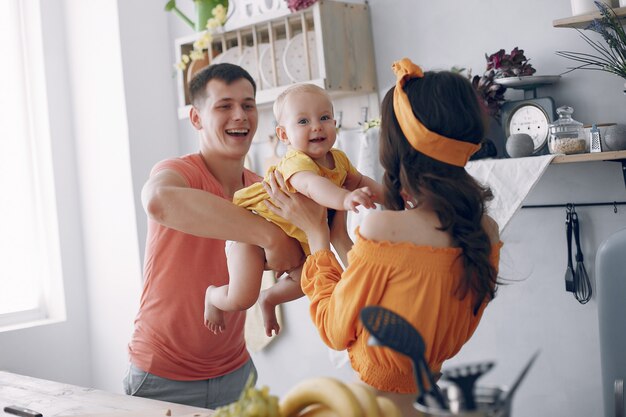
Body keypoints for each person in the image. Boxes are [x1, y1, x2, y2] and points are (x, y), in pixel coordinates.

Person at [263, 58, 503, 416]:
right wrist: (337, 235)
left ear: (397, 145)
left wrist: (316, 235)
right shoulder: (484, 233)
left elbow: (335, 326)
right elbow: (380, 292)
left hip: (373, 407)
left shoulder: (385, 228)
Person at [124, 63, 304, 409]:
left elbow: (294, 260)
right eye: (224, 106)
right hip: (161, 374)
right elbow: (158, 200)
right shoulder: (180, 172)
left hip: (236, 371)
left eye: (248, 105)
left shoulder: (260, 189)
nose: (240, 115)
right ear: (196, 118)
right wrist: (269, 234)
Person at [203, 83, 384, 337]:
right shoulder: (296, 163)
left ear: (334, 122)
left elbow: (362, 181)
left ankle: (270, 300)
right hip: (251, 231)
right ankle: (213, 296)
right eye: (303, 121)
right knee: (242, 297)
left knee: (305, 281)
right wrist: (344, 200)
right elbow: (312, 186)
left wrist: (392, 196)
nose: (316, 126)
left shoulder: (339, 159)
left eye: (324, 117)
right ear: (284, 135)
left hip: (299, 240)